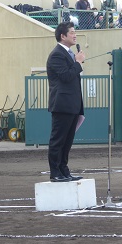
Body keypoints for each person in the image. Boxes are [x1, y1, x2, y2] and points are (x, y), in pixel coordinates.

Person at [46, 22, 85, 182]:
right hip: (62, 104)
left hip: (72, 105)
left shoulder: (68, 54)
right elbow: (66, 76)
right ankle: (55, 172)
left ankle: (64, 170)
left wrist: (76, 62)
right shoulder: (57, 54)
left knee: (67, 141)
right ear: (63, 36)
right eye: (72, 32)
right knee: (58, 140)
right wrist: (78, 63)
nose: (75, 35)